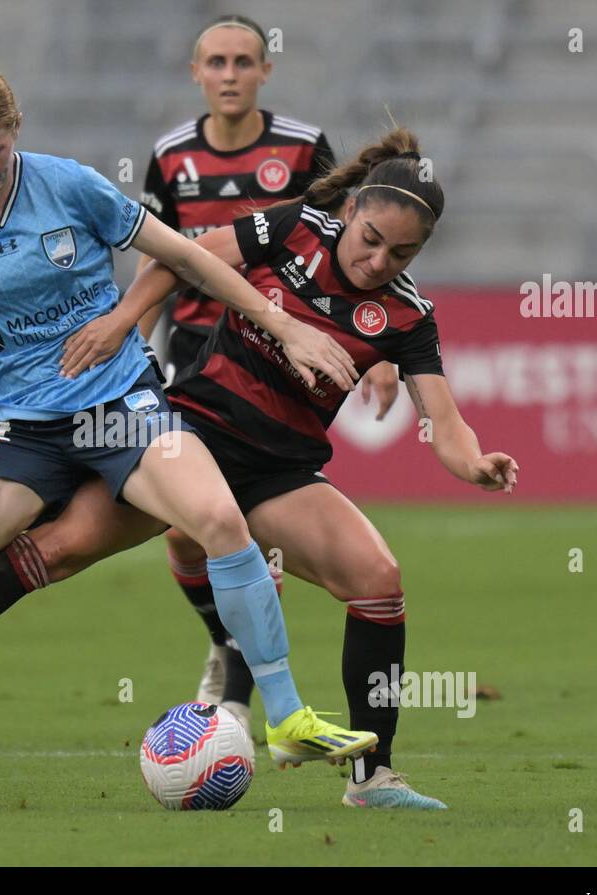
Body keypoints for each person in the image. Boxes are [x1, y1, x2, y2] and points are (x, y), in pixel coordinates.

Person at [0, 126, 519, 810]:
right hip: (185, 435)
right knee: (60, 548)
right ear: (350, 212)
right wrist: (128, 318)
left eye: (403, 251)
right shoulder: (294, 227)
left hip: (279, 473)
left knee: (380, 581)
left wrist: (477, 464)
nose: (377, 261)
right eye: (371, 239)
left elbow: (447, 428)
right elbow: (184, 256)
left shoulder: (407, 314)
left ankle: (374, 777)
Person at [0, 63, 380, 811]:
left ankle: (287, 717)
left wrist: (285, 327)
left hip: (120, 404)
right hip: (19, 428)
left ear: (16, 131)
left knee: (216, 517)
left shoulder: (69, 186)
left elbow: (184, 257)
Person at [137, 13, 400, 723]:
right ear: (196, 72)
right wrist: (130, 335)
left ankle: (244, 688)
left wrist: (375, 356)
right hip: (194, 351)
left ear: (265, 71)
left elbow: (346, 246)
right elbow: (159, 252)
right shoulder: (170, 155)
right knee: (183, 528)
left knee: (243, 524)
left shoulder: (302, 148)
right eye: (216, 62)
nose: (229, 75)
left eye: (243, 62)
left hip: (273, 349)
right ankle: (230, 644)